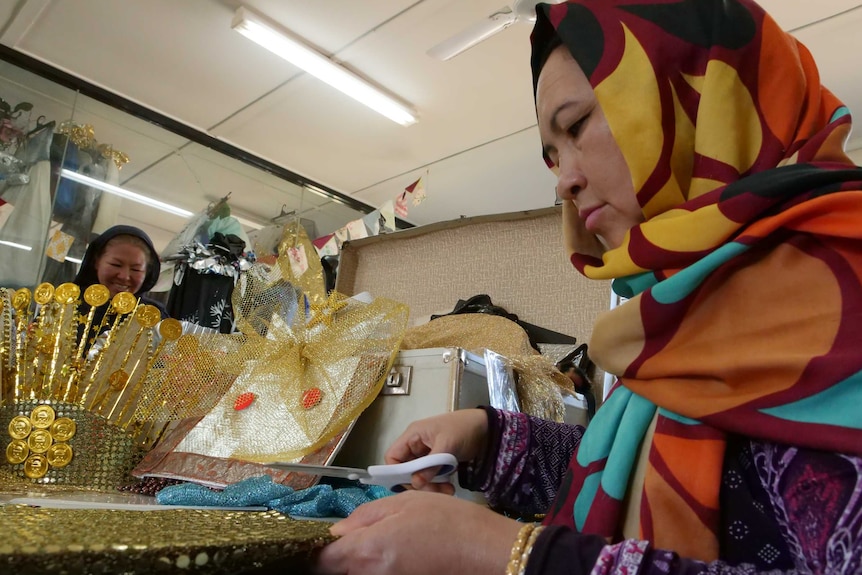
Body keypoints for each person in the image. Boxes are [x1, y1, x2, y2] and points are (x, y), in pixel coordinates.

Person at [314, 0, 862, 573]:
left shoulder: (841, 287)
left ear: (699, 97)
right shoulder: (686, 309)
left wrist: (506, 555)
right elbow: (644, 473)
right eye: (552, 156)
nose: (564, 183)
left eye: (576, 127)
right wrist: (490, 437)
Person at [74, 224, 168, 319]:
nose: (124, 276)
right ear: (96, 262)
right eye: (116, 265)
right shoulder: (68, 304)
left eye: (136, 269)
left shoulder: (153, 318)